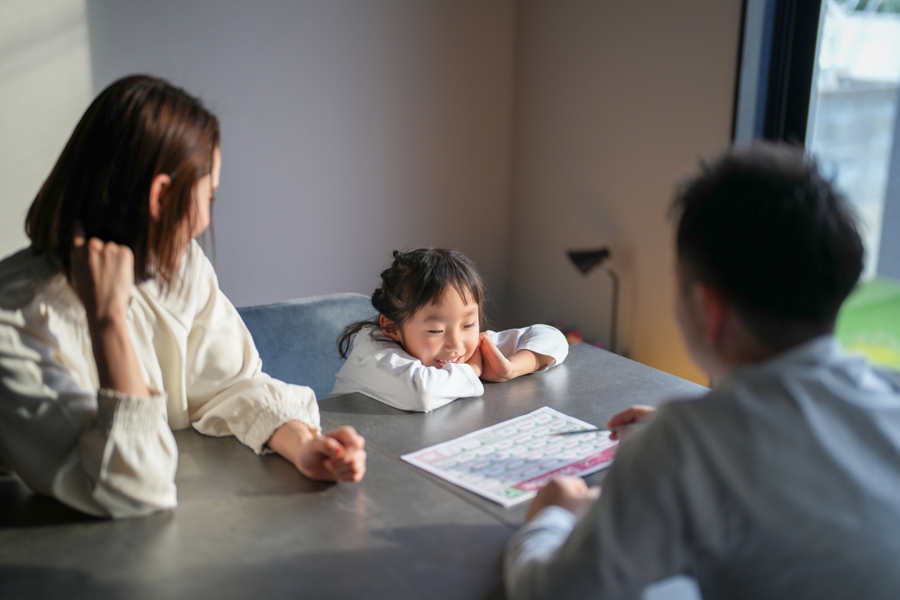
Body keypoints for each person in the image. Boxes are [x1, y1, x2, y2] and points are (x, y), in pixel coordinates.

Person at [504, 143, 900, 599]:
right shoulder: (887, 393)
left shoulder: (685, 448)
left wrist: (552, 516)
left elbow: (551, 594)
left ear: (709, 311)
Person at [0, 75, 366, 519]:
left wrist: (301, 442)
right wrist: (109, 322)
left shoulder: (179, 265)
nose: (206, 218)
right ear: (160, 197)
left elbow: (230, 383)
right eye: (209, 195)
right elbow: (135, 488)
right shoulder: (13, 322)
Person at [330, 248, 569, 412]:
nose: (456, 344)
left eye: (468, 324)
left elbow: (552, 337)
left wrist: (510, 368)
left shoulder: (467, 344)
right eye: (435, 330)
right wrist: (473, 368)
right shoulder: (374, 353)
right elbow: (421, 393)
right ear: (392, 326)